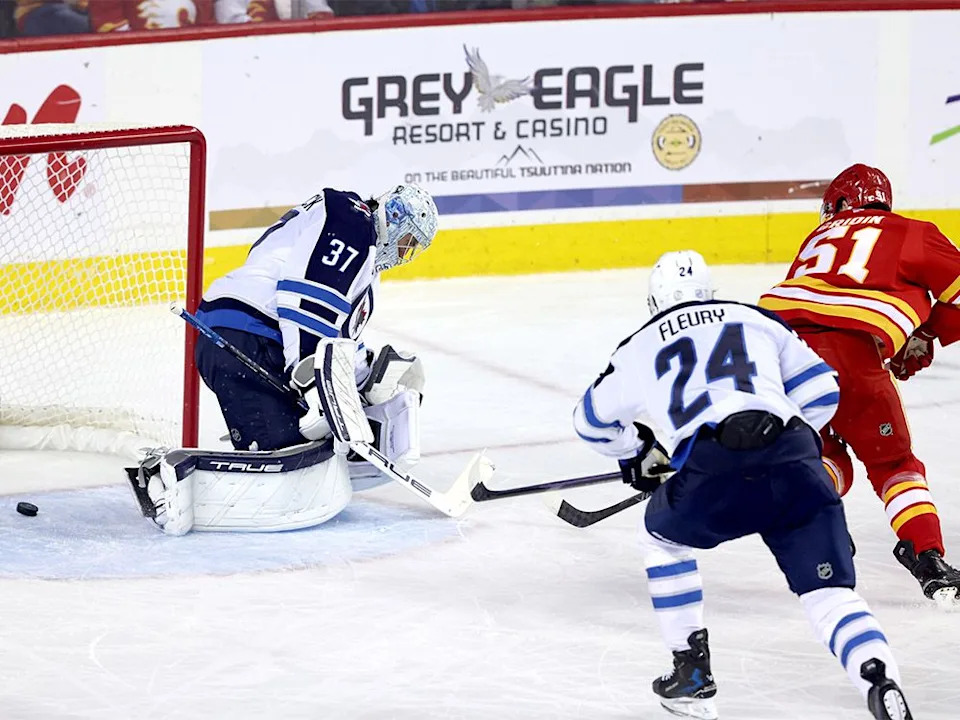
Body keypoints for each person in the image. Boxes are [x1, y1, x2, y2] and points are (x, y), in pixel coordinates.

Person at [573, 250, 912, 720]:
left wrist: (640, 451)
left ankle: (691, 671)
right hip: (796, 461)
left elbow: (590, 423)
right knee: (829, 594)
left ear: (654, 302)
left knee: (661, 538)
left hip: (715, 468)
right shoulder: (757, 319)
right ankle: (878, 678)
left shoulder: (638, 345)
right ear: (709, 292)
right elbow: (822, 391)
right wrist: (785, 442)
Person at [127, 184, 437, 536]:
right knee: (290, 459)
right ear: (394, 218)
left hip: (252, 335)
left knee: (306, 451)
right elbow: (306, 297)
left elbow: (337, 337)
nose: (403, 253)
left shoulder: (362, 261)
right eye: (407, 241)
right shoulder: (352, 219)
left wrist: (372, 375)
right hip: (245, 335)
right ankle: (166, 474)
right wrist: (308, 369)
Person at [759, 163, 960, 609]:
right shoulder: (909, 231)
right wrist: (926, 334)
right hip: (852, 360)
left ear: (838, 204)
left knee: (822, 455)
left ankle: (819, 526)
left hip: (781, 355)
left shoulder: (815, 239)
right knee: (894, 464)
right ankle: (925, 555)